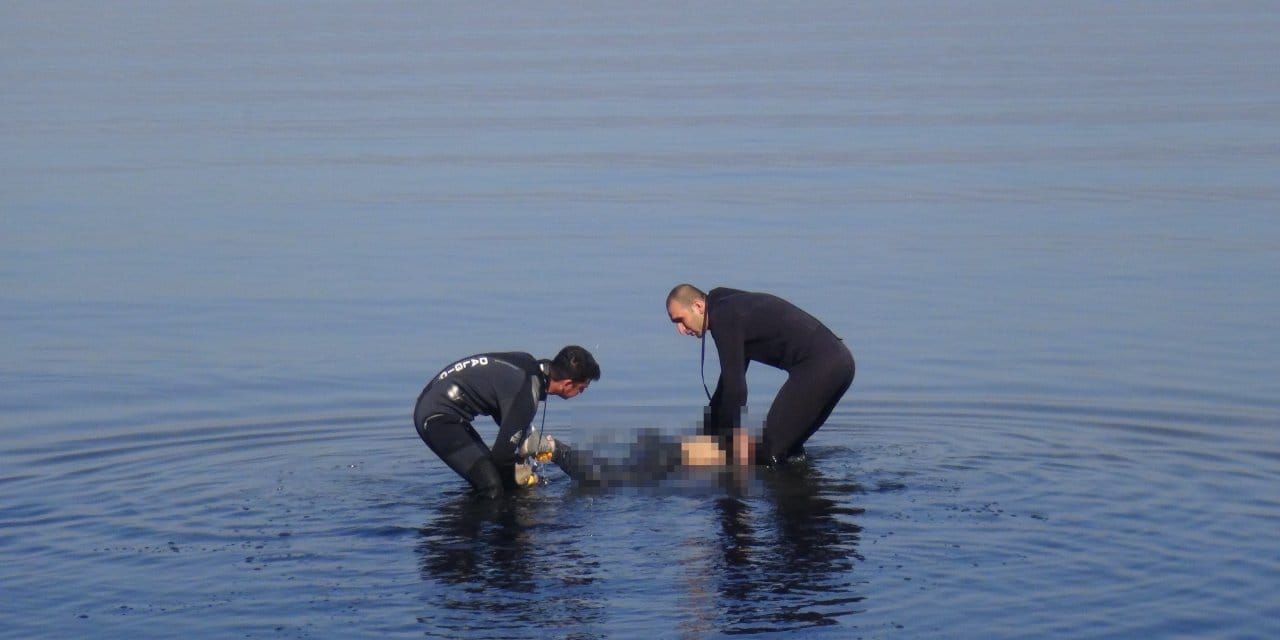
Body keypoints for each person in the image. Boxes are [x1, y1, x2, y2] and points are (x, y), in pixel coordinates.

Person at [665, 284, 855, 466]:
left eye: (680, 320)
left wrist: (720, 446)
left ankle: (767, 494)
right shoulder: (727, 306)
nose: (681, 330)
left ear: (698, 306)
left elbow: (736, 392)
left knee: (769, 452)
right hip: (840, 362)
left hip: (821, 366)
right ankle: (801, 494)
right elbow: (727, 385)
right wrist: (709, 434)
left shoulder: (723, 317)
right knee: (788, 449)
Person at [413, 346, 600, 499]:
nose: (580, 394)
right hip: (436, 417)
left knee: (502, 482)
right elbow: (501, 456)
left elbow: (502, 409)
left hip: (442, 407)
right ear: (567, 384)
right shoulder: (526, 396)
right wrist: (519, 473)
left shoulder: (527, 366)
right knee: (492, 487)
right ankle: (471, 542)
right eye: (581, 389)